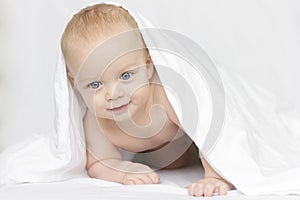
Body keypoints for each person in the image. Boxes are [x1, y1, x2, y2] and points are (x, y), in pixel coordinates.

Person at [60, 3, 234, 197]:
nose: (113, 95)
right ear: (74, 82)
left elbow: (209, 126)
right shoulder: (94, 120)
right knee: (173, 163)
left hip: (187, 137)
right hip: (166, 153)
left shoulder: (168, 95)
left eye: (126, 76)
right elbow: (98, 162)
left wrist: (215, 176)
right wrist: (122, 171)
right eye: (95, 85)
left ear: (148, 65)